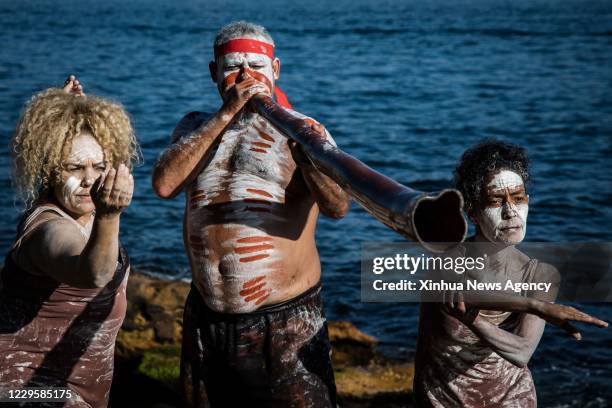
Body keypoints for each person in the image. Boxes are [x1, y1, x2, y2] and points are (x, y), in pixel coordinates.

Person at [152, 21, 349, 407]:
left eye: (256, 66)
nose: (246, 76)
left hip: (284, 320)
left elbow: (337, 206)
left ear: (275, 70)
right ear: (214, 73)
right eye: (232, 67)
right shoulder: (195, 127)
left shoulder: (305, 130)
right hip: (206, 317)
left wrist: (306, 157)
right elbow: (164, 185)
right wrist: (226, 113)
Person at [413, 139, 608, 407]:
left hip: (513, 398)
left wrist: (474, 322)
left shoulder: (539, 274)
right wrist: (537, 306)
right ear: (473, 212)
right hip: (444, 398)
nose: (510, 212)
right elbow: (465, 295)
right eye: (496, 201)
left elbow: (522, 351)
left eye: (518, 199)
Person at [0, 76, 139, 407]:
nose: (90, 180)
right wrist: (110, 215)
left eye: (99, 166)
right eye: (75, 167)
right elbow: (92, 274)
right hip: (28, 391)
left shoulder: (76, 209)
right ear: (50, 171)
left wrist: (68, 113)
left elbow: (50, 148)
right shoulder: (48, 231)